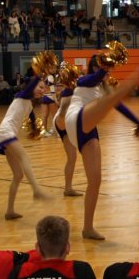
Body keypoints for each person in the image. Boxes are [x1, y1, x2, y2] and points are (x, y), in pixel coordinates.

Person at [65, 52, 139, 240]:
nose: (104, 70)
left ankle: (87, 228)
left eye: (105, 66)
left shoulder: (104, 89)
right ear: (94, 67)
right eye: (100, 66)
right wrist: (104, 69)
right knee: (114, 95)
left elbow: (119, 105)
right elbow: (96, 78)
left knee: (95, 181)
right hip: (75, 119)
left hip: (88, 129)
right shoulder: (83, 80)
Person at [0, 74, 51, 220]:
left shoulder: (29, 103)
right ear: (31, 86)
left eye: (44, 88)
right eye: (40, 87)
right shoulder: (21, 95)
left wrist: (36, 130)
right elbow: (30, 86)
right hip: (6, 132)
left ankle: (9, 211)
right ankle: (36, 189)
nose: (42, 90)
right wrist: (40, 72)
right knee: (25, 156)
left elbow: (32, 119)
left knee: (18, 175)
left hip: (7, 134)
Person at [53, 63, 84, 197]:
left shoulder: (71, 88)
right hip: (63, 121)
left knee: (72, 157)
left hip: (64, 123)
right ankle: (68, 188)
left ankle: (68, 188)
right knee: (73, 157)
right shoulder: (70, 90)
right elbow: (63, 106)